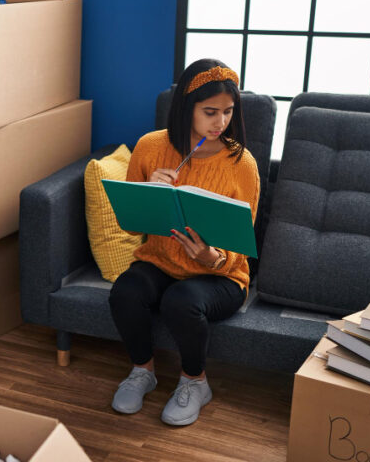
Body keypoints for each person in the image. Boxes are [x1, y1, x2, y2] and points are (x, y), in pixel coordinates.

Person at [108, 58, 260, 426]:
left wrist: (211, 258)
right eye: (210, 112)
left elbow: (240, 244)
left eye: (227, 112)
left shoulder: (243, 164)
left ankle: (196, 382)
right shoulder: (149, 147)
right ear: (185, 108)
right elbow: (130, 227)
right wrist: (147, 194)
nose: (220, 122)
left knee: (181, 301)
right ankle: (142, 371)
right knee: (125, 290)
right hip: (160, 262)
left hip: (221, 276)